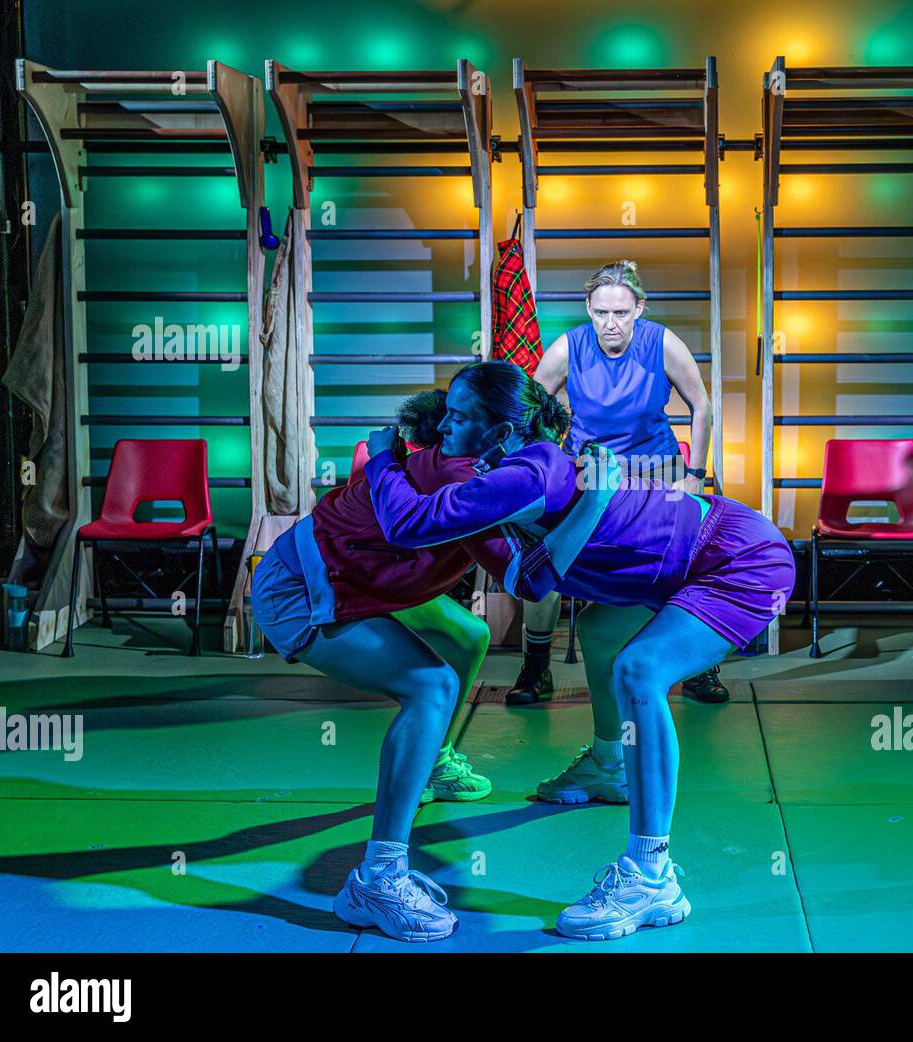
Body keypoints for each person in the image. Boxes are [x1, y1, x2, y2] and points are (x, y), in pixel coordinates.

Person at [365, 360, 794, 940]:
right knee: (597, 634)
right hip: (683, 557)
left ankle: (651, 875)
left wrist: (384, 457)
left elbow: (405, 525)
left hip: (739, 560)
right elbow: (525, 578)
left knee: (640, 669)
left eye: (459, 417)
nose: (444, 429)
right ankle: (610, 763)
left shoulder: (523, 475)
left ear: (501, 431)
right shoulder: (509, 468)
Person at [250, 393, 618, 943]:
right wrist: (596, 504)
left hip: (370, 573)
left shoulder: (494, 467)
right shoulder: (462, 473)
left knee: (468, 633)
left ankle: (436, 761)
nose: (449, 425)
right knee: (431, 684)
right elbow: (525, 578)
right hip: (306, 586)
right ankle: (379, 877)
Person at [507, 260, 730, 711]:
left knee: (682, 565)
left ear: (639, 309)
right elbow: (528, 409)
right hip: (592, 475)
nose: (611, 324)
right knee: (550, 559)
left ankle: (698, 664)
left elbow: (702, 405)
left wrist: (695, 476)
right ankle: (535, 667)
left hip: (658, 470)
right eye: (602, 313)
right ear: (588, 308)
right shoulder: (568, 348)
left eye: (622, 314)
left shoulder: (662, 343)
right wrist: (537, 463)